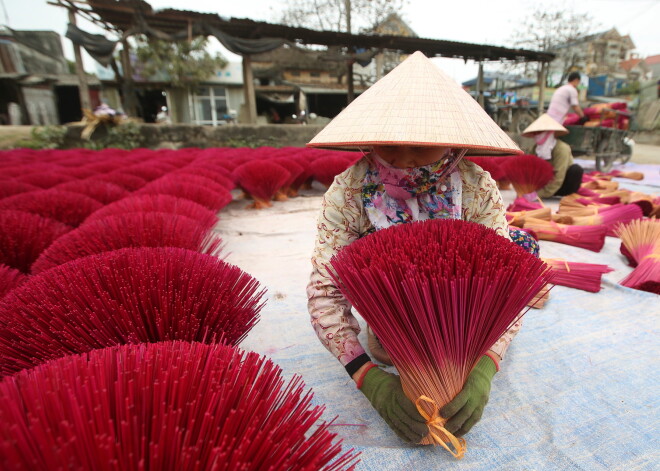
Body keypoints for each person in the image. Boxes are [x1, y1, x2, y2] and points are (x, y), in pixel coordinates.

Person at [306, 52, 530, 445]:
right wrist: (367, 377)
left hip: (468, 341)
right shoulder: (349, 191)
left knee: (524, 253)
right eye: (389, 145)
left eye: (422, 146)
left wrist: (484, 366)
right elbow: (325, 292)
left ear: (452, 142)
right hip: (388, 345)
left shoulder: (477, 188)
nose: (404, 158)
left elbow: (506, 284)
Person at [523, 113, 584, 197]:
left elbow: (559, 176)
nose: (536, 135)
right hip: (543, 184)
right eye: (535, 133)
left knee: (576, 170)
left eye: (539, 132)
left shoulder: (562, 149)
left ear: (549, 133)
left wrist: (538, 195)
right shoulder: (534, 149)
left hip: (562, 185)